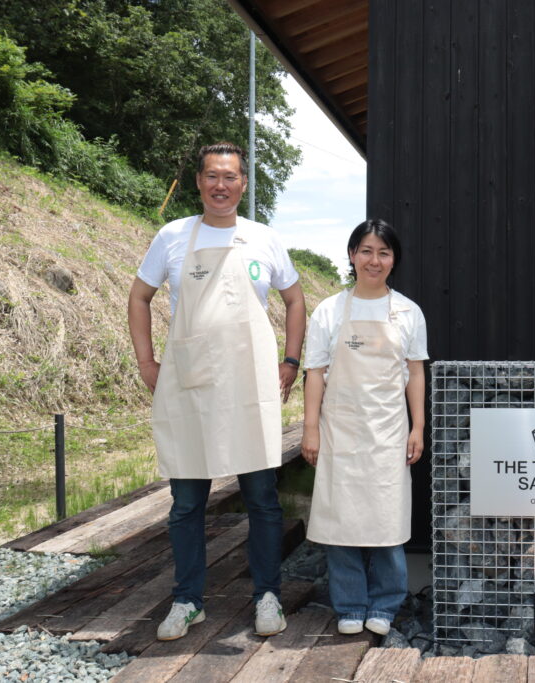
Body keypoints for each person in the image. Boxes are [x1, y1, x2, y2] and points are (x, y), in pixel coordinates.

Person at [127, 142, 306, 641]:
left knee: (262, 498)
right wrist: (147, 360)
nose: (221, 185)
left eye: (230, 177)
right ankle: (187, 601)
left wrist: (291, 360)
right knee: (187, 501)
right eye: (212, 176)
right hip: (189, 381)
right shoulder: (173, 236)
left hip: (250, 383)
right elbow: (140, 296)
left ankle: (267, 596)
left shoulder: (263, 239)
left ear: (243, 184)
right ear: (199, 182)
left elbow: (295, 300)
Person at [301, 218, 427, 636]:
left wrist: (418, 427)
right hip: (340, 430)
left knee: (386, 521)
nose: (375, 260)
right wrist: (311, 429)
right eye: (367, 251)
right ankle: (351, 604)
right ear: (353, 256)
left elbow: (415, 373)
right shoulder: (329, 310)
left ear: (394, 260)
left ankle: (387, 603)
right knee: (341, 523)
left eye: (384, 252)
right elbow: (315, 373)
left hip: (389, 431)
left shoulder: (408, 312)